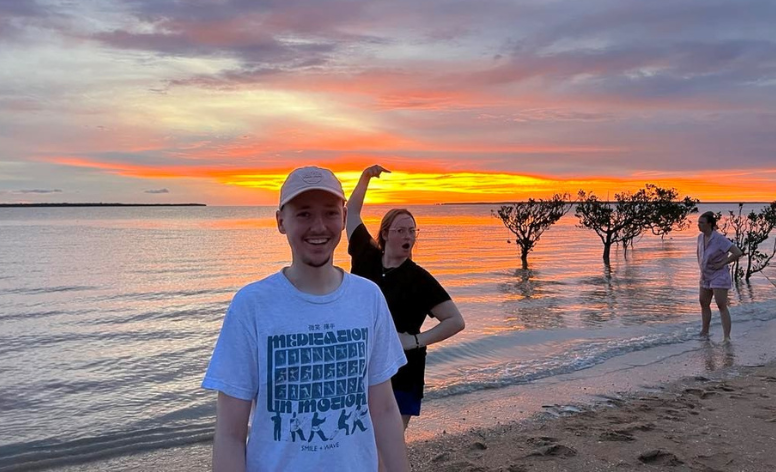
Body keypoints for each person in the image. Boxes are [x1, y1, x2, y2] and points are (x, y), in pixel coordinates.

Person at [202, 166, 409, 472]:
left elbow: (385, 410)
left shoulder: (368, 298)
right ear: (280, 221)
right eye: (303, 214)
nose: (319, 226)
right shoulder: (252, 305)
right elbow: (230, 434)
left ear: (342, 217)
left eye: (329, 213)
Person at [346, 165, 465, 430]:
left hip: (404, 374)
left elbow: (455, 321)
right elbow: (352, 213)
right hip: (362, 370)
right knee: (360, 442)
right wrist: (365, 177)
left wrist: (414, 341)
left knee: (388, 447)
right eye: (401, 230)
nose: (408, 235)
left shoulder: (419, 279)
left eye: (412, 230)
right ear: (386, 233)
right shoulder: (366, 257)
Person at [697, 210, 742, 342]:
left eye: (702, 223)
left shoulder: (719, 239)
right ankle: (705, 332)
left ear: (709, 224)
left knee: (721, 304)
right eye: (698, 222)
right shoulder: (700, 238)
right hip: (705, 275)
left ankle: (726, 337)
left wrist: (722, 263)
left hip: (719, 275)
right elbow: (699, 255)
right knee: (703, 303)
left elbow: (737, 252)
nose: (699, 225)